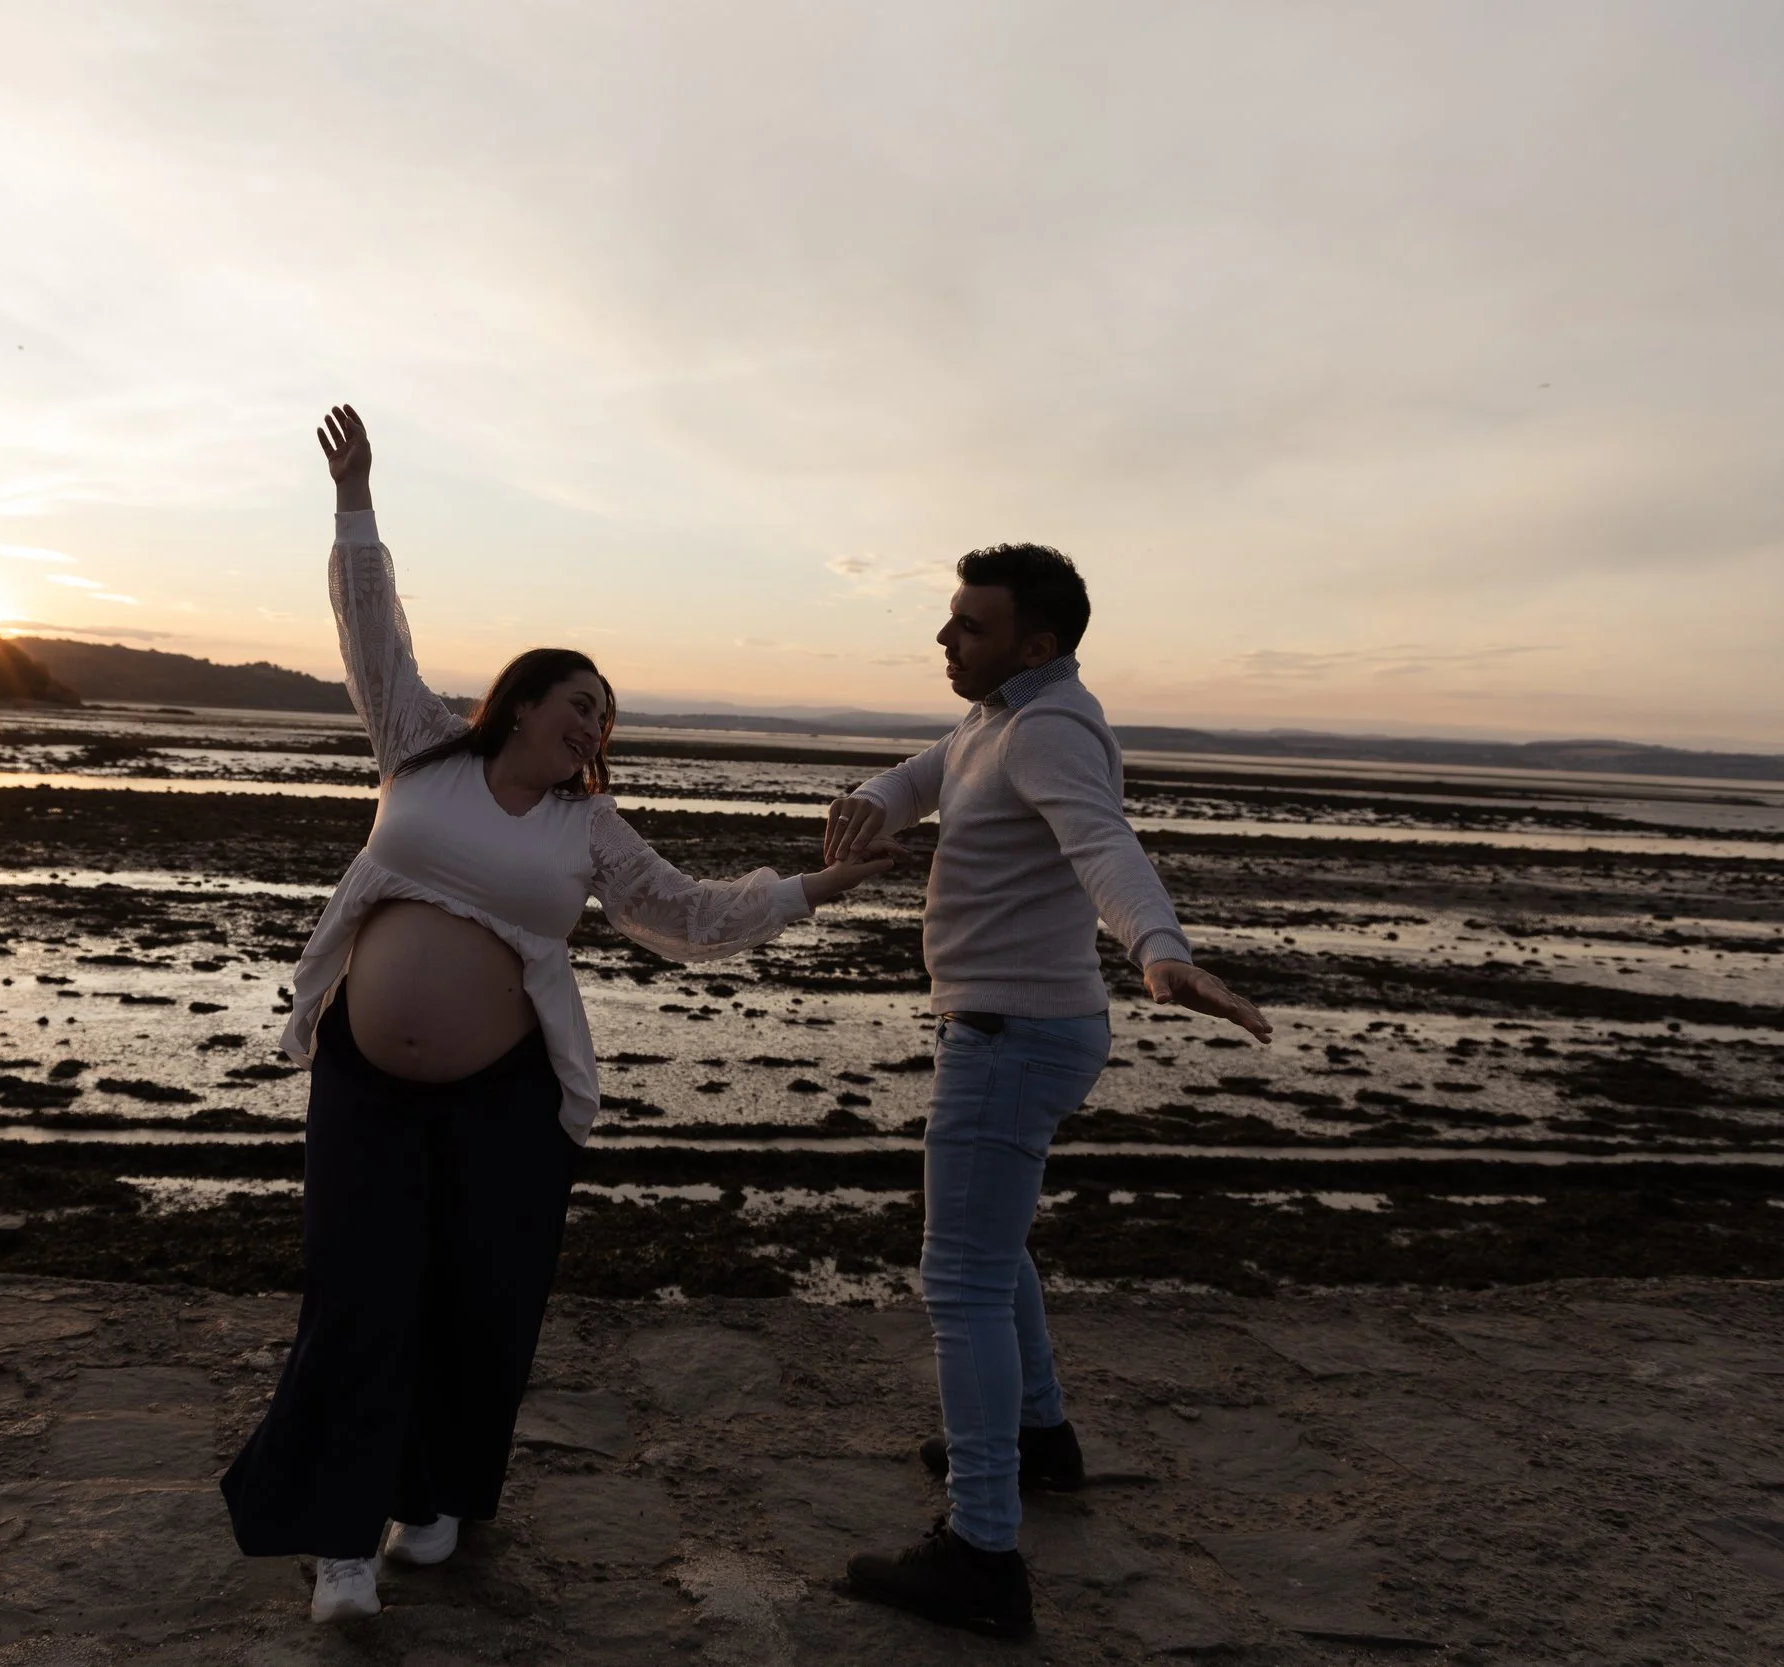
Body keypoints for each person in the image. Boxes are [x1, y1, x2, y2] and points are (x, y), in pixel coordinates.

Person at [221, 406, 902, 1623]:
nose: (593, 725)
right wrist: (355, 498)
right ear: (525, 700)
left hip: (502, 1099)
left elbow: (688, 914)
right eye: (579, 702)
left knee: (479, 1296)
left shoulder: (588, 828)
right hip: (364, 1079)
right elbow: (372, 629)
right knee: (356, 1291)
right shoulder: (420, 747)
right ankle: (340, 1541)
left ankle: (434, 1492)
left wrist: (821, 885)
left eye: (605, 716)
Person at [824, 542, 1270, 1640]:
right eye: (949, 617)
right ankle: (1039, 1435)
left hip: (1009, 1034)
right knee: (993, 1241)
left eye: (968, 625)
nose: (944, 637)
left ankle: (982, 1550)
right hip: (1019, 1028)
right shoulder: (996, 717)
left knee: (961, 1277)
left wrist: (1159, 947)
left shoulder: (1048, 729)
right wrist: (868, 798)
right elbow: (920, 775)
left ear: (1035, 644)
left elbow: (1101, 842)